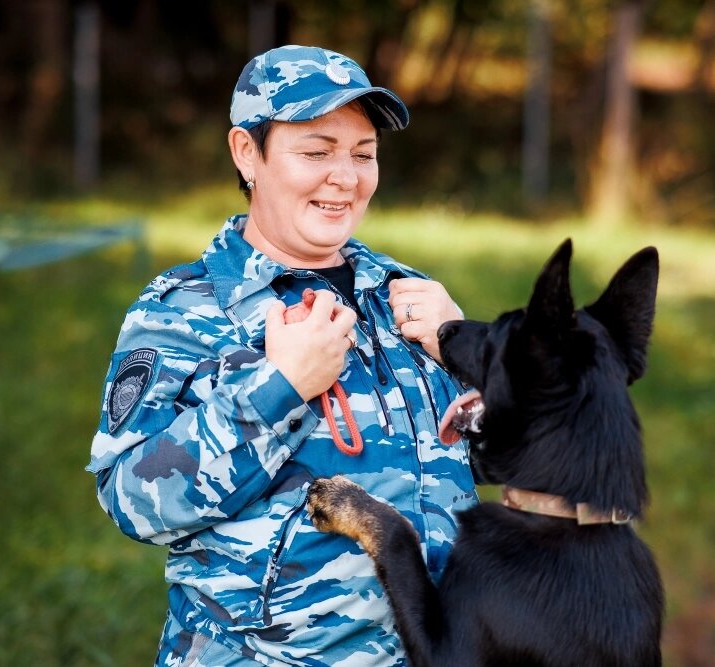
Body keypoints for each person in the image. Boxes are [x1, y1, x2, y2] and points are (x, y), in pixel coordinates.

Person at [87, 44, 478, 667]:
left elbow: (492, 459)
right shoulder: (184, 311)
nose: (345, 177)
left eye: (363, 154)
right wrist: (280, 388)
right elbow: (131, 500)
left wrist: (472, 357)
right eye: (317, 152)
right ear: (248, 153)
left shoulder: (407, 296)